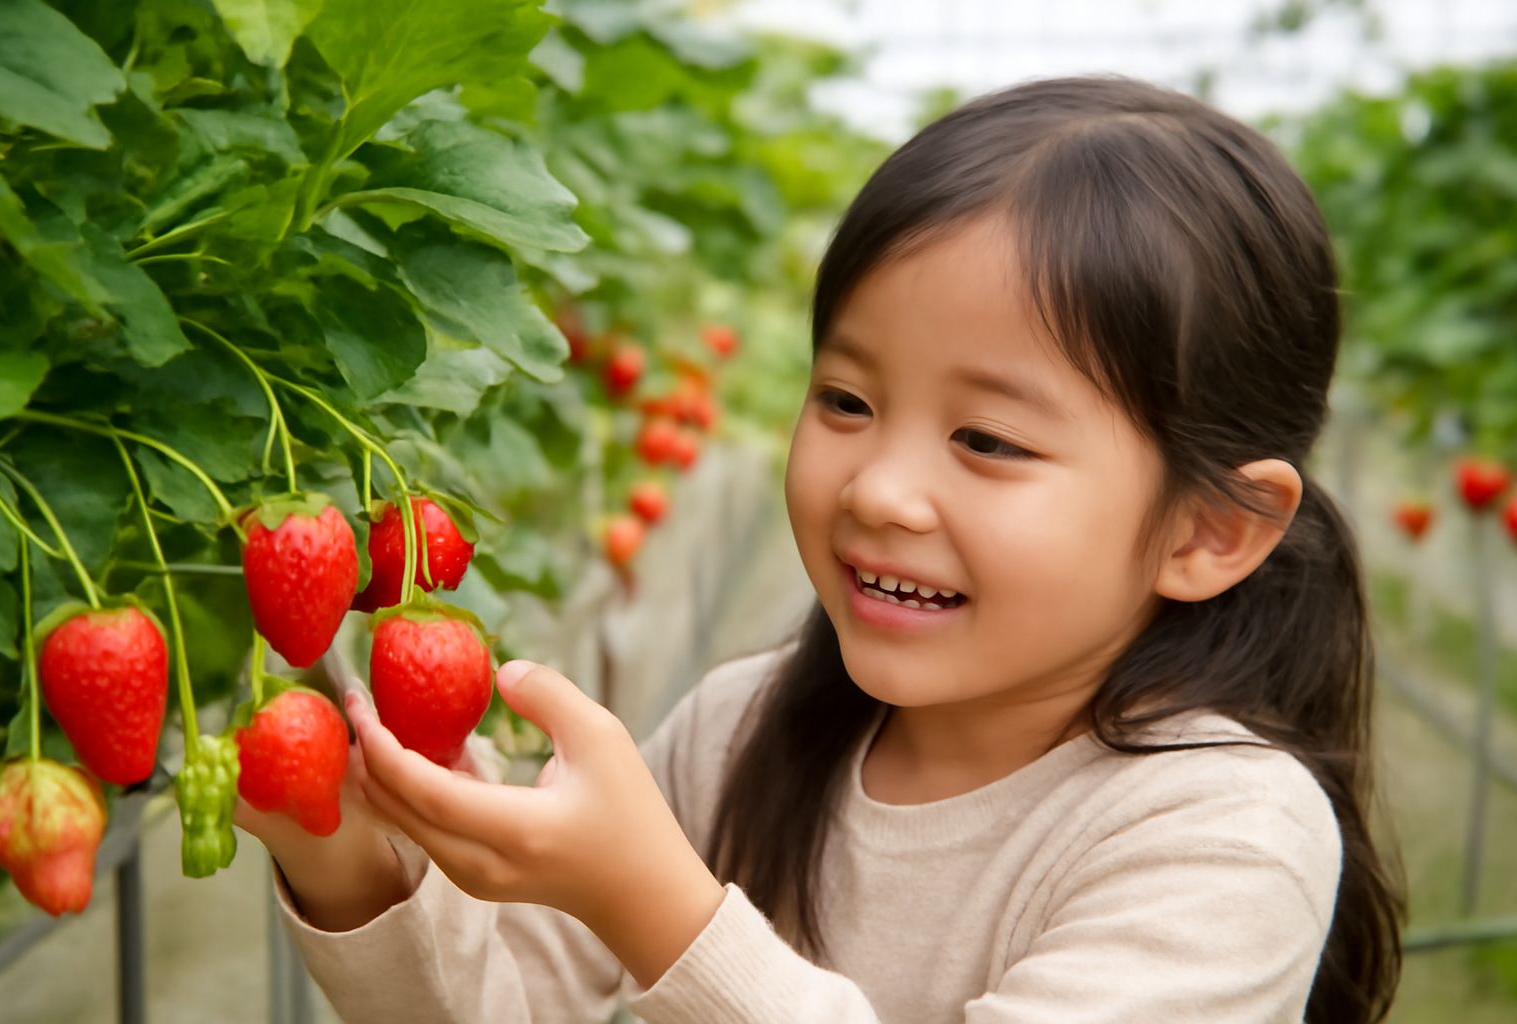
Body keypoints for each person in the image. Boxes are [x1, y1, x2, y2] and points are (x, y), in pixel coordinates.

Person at [238, 77, 1403, 1024]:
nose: (882, 489)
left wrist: (657, 908)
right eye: (845, 399)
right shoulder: (739, 728)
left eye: (987, 438)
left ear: (1211, 529)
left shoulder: (1225, 831)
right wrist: (346, 856)